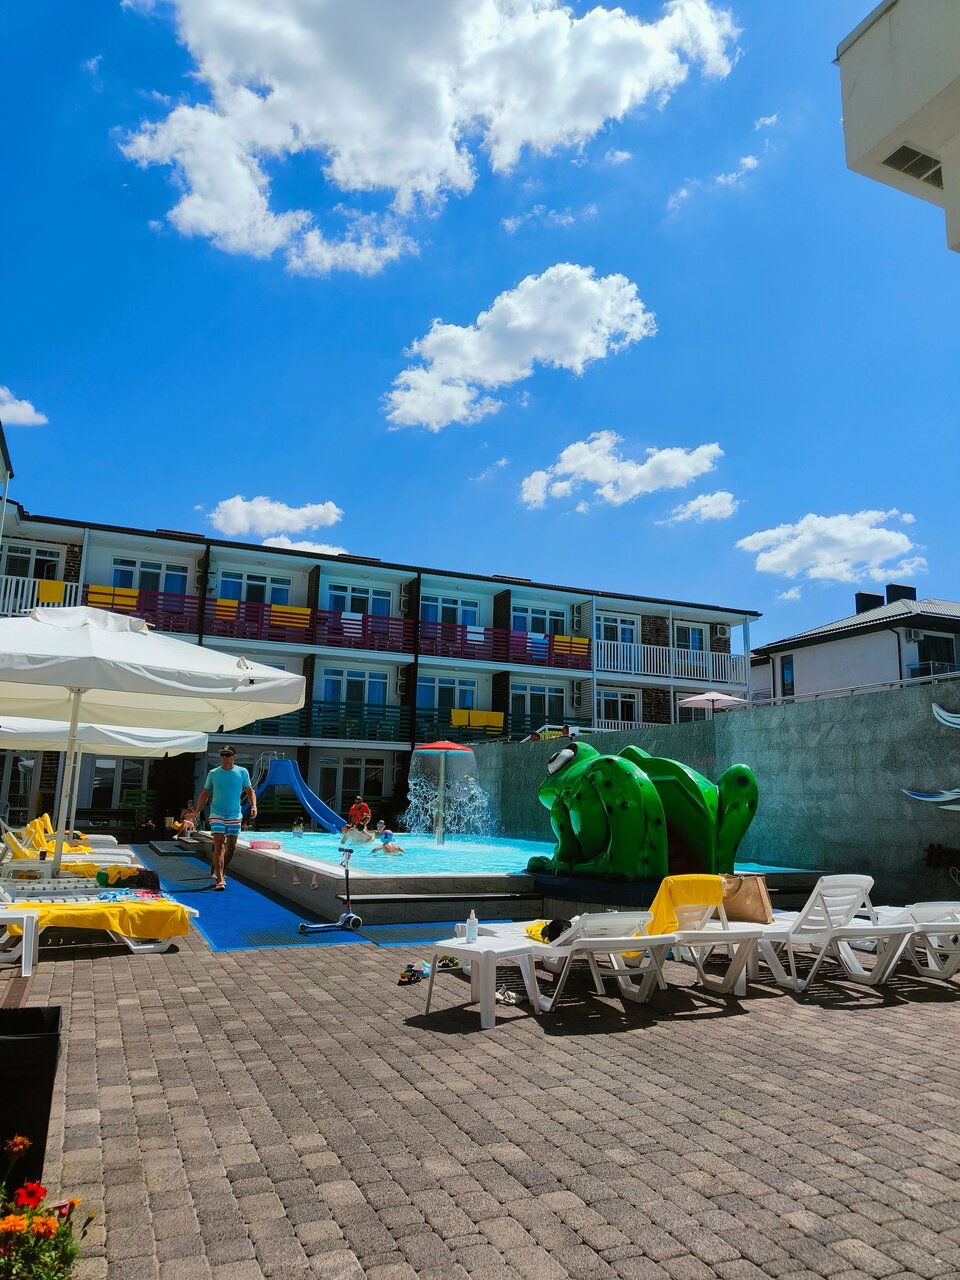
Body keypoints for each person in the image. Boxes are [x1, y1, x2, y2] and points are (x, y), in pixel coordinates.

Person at [194, 746, 256, 891]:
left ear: (234, 756)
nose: (224, 757)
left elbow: (249, 791)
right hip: (217, 814)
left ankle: (218, 867)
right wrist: (197, 811)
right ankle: (220, 879)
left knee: (231, 846)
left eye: (228, 755)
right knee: (219, 844)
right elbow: (205, 793)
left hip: (234, 814)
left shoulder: (242, 772)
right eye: (222, 755)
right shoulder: (213, 773)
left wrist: (254, 806)